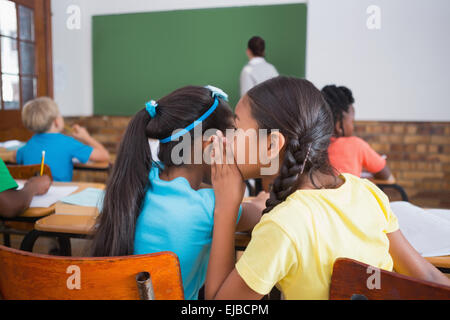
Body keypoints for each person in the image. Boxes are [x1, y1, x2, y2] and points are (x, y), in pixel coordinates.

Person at [205, 76, 450, 300]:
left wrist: (226, 209)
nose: (226, 139)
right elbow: (427, 278)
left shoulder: (282, 226)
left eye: (236, 130)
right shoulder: (366, 192)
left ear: (271, 145)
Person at [90, 85, 266, 300]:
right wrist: (260, 197)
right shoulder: (208, 206)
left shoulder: (135, 184)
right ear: (212, 145)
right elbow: (259, 213)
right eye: (233, 136)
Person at [14, 97, 110, 182]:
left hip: (34, 197)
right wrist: (86, 137)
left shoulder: (29, 144)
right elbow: (104, 156)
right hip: (60, 197)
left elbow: (15, 156)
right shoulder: (67, 142)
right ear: (56, 122)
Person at [322, 85, 393, 180]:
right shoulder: (356, 145)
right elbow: (387, 177)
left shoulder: (314, 145)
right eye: (352, 122)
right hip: (349, 195)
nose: (353, 126)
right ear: (339, 126)